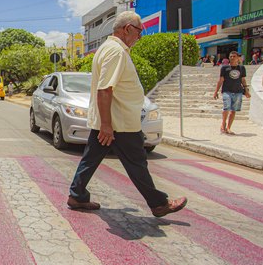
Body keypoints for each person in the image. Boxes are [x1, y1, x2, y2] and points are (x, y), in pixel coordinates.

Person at [67, 11, 188, 218]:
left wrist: (104, 123)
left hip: (110, 120)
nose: (140, 37)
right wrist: (107, 125)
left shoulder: (108, 48)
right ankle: (159, 204)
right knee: (136, 163)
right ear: (127, 29)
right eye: (139, 32)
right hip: (119, 122)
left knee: (91, 159)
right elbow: (105, 89)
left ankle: (77, 195)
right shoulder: (116, 51)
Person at [213, 51, 250, 135]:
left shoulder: (241, 68)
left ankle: (229, 128)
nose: (232, 58)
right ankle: (223, 124)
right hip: (227, 90)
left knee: (233, 111)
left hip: (238, 91)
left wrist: (246, 90)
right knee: (226, 108)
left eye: (234, 56)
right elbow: (221, 80)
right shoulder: (224, 68)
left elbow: (243, 80)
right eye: (231, 56)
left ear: (237, 58)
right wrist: (216, 91)